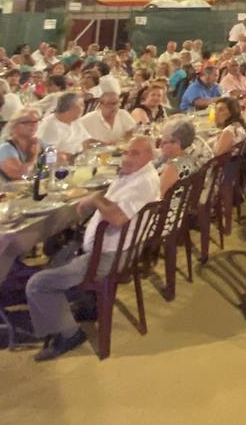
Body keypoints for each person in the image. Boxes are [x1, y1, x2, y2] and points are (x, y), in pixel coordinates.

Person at [26, 136, 161, 361]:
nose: (127, 158)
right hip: (117, 249)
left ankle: (70, 334)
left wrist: (95, 199)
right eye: (127, 152)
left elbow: (117, 217)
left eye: (135, 154)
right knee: (59, 252)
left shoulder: (144, 182)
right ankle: (86, 306)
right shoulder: (138, 174)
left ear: (150, 156)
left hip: (110, 256)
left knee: (37, 284)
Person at [0, 111, 42, 180]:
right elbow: (19, 176)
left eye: (35, 121)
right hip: (1, 187)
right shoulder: (6, 149)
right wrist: (32, 158)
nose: (33, 125)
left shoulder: (36, 144)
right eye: (27, 122)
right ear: (14, 126)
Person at [156, 117, 204, 195]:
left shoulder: (172, 168)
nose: (160, 146)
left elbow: (158, 196)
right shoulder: (192, 159)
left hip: (174, 202)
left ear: (177, 144)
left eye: (164, 142)